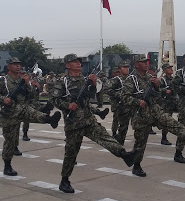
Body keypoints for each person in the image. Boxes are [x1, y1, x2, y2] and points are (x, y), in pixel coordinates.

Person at [51, 54, 141, 193]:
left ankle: (125, 155)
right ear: (68, 65)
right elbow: (54, 99)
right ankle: (64, 180)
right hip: (73, 123)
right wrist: (67, 105)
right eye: (74, 62)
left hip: (88, 120)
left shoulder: (84, 80)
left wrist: (93, 84)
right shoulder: (63, 81)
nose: (78, 64)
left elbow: (91, 94)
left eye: (79, 62)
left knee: (105, 137)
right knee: (71, 154)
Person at [121, 54, 185, 177]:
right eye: (143, 62)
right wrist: (137, 101)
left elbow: (159, 94)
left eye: (147, 62)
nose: (146, 64)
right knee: (140, 143)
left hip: (155, 110)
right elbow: (124, 97)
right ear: (137, 64)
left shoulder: (150, 77)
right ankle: (136, 166)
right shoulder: (131, 79)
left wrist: (156, 86)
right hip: (141, 115)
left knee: (171, 122)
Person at [0, 57, 61, 176]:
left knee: (32, 112)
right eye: (14, 64)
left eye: (19, 64)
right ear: (9, 67)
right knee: (10, 142)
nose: (18, 66)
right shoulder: (3, 80)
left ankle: (49, 119)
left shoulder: (22, 80)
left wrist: (28, 84)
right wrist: (3, 99)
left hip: (22, 108)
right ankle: (7, 165)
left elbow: (32, 95)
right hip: (9, 114)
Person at [105, 61, 133, 145]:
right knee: (117, 120)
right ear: (119, 70)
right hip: (118, 105)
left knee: (125, 125)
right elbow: (106, 89)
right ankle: (114, 134)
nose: (126, 69)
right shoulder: (116, 80)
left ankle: (121, 141)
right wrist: (117, 94)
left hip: (129, 104)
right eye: (124, 67)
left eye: (127, 67)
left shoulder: (131, 79)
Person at [159, 62, 178, 145]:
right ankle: (164, 138)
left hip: (174, 101)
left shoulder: (173, 79)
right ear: (165, 70)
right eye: (169, 68)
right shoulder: (162, 80)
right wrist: (164, 90)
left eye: (171, 68)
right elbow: (156, 90)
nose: (171, 69)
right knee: (166, 121)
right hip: (166, 103)